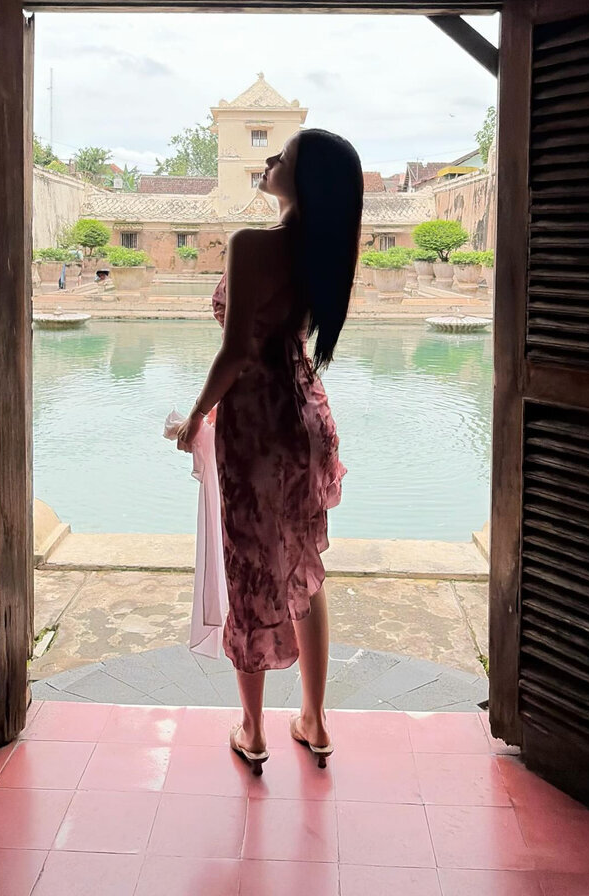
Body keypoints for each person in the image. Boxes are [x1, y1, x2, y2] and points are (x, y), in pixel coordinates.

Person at [176, 128, 364, 774]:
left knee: (251, 570)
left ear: (302, 179)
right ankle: (314, 719)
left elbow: (235, 353)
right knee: (304, 567)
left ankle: (254, 731)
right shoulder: (328, 249)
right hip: (307, 416)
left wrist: (195, 416)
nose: (268, 160)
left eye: (281, 157)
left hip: (256, 424)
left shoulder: (251, 244)